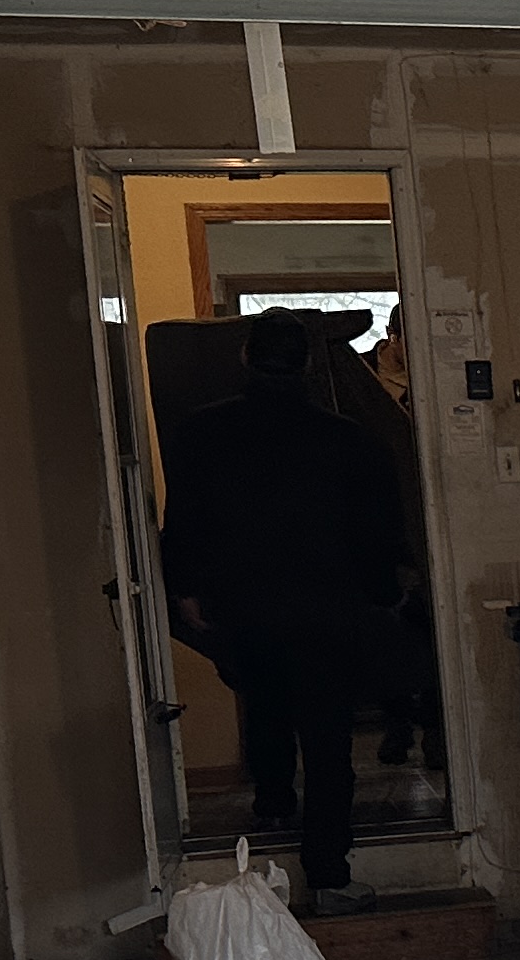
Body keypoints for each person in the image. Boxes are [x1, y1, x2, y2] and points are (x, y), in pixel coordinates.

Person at [162, 314, 414, 908]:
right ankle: (327, 874)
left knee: (265, 703)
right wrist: (385, 595)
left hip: (244, 603)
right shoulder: (349, 439)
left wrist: (187, 589)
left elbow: (187, 524)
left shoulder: (202, 433)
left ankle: (273, 808)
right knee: (328, 743)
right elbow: (378, 533)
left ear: (247, 356)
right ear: (307, 363)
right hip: (329, 606)